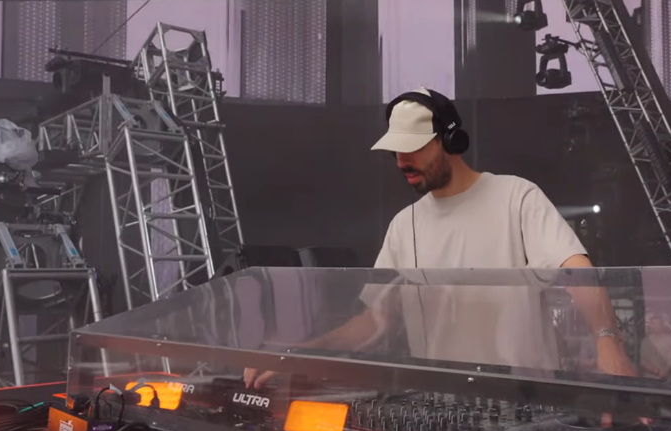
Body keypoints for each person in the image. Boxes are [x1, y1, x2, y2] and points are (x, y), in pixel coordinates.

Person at [244, 88, 635, 389]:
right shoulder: (404, 226)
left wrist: (608, 343)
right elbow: (375, 320)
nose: (402, 162)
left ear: (450, 141)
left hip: (525, 398)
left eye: (412, 148)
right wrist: (301, 352)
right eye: (395, 151)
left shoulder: (517, 196)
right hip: (441, 401)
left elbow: (576, 269)